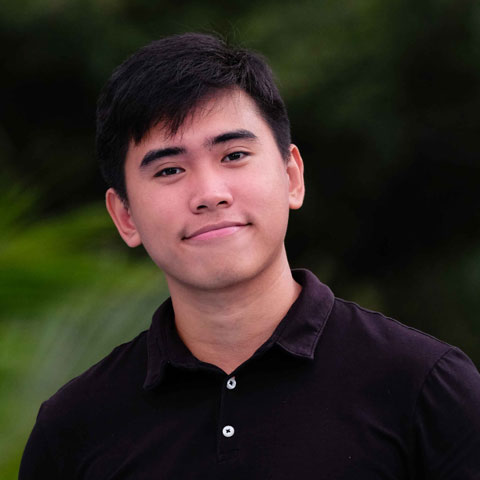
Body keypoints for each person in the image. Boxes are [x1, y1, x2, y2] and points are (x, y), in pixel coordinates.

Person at [20, 32, 480, 479]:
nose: (209, 194)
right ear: (125, 216)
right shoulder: (72, 430)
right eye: (170, 169)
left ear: (292, 177)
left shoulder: (425, 387)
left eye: (234, 155)